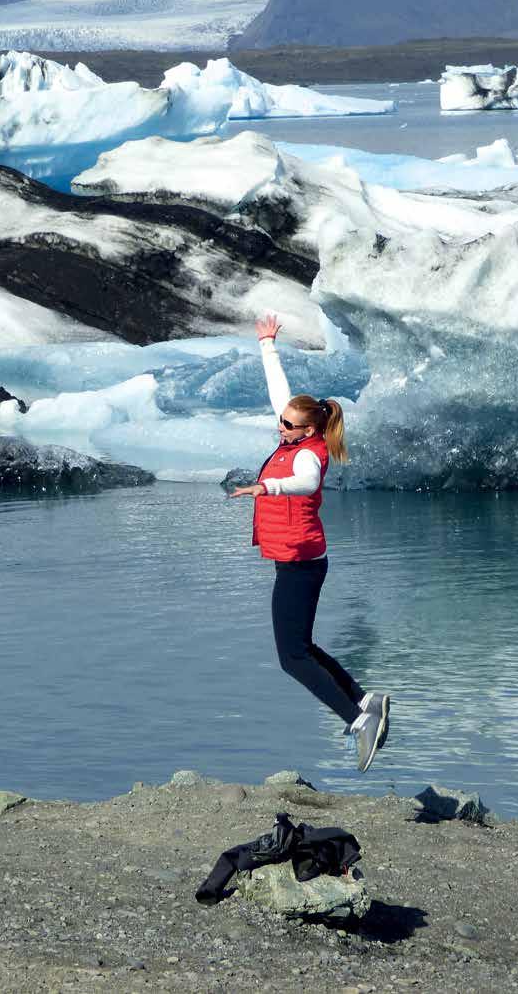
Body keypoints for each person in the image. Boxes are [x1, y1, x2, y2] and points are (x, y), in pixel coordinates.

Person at [230, 313, 389, 772]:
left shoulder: (309, 456)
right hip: (295, 562)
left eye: (287, 424)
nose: (280, 426)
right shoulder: (295, 433)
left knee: (292, 657)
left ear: (309, 431)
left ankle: (358, 722)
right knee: (302, 646)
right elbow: (281, 395)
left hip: (302, 564)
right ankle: (365, 700)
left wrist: (267, 489)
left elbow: (304, 483)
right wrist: (267, 346)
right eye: (281, 421)